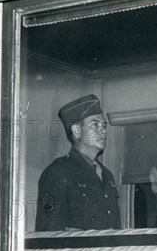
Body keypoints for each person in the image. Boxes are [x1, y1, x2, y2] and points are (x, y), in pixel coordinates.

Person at [35, 94, 121, 231]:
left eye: (104, 125)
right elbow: (49, 233)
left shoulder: (107, 175)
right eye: (95, 125)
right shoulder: (57, 172)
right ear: (76, 131)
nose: (103, 130)